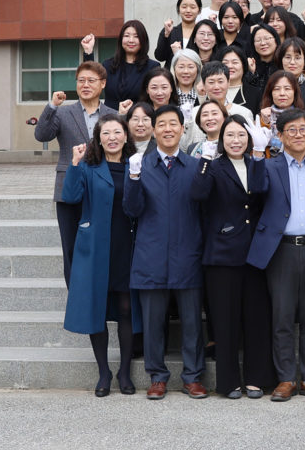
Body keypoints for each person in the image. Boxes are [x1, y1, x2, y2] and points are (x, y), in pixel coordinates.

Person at [244, 109, 305, 402]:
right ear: (281, 135)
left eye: (303, 129)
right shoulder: (269, 166)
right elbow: (255, 189)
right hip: (281, 251)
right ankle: (286, 378)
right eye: (291, 130)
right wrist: (258, 153)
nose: (298, 135)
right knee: (282, 316)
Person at [123, 105, 206, 400]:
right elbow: (132, 209)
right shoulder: (140, 165)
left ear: (183, 129)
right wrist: (134, 178)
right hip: (151, 254)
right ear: (153, 130)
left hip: (188, 253)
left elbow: (205, 209)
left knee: (192, 322)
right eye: (162, 124)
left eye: (173, 124)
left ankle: (193, 377)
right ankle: (157, 377)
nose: (168, 129)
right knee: (153, 322)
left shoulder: (196, 166)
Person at [190, 115, 277, 399]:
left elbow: (261, 191)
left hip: (255, 254)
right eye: (230, 135)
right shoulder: (213, 166)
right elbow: (198, 193)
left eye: (241, 135)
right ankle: (228, 382)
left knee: (257, 318)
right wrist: (205, 160)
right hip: (222, 255)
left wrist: (259, 155)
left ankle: (256, 378)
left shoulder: (256, 163)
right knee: (225, 321)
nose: (236, 140)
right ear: (221, 139)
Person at [61, 113, 140, 397]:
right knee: (97, 309)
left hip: (127, 246)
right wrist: (74, 164)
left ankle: (124, 371)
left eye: (117, 132)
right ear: (98, 138)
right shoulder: (89, 166)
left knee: (126, 309)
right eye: (106, 133)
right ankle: (104, 372)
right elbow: (70, 197)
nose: (112, 138)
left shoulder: (135, 165)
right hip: (95, 247)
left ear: (126, 136)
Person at [34, 61, 115, 286]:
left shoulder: (112, 114)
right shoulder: (62, 112)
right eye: (81, 81)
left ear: (103, 84)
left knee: (102, 244)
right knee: (70, 246)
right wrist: (52, 105)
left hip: (102, 187)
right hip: (68, 187)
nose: (85, 85)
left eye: (91, 81)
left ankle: (100, 296)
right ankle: (75, 299)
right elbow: (41, 135)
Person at [81, 20, 159, 111]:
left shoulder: (152, 67)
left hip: (138, 117)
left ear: (143, 40)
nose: (131, 40)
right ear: (121, 39)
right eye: (127, 36)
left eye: (136, 36)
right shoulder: (108, 65)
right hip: (109, 117)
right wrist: (88, 51)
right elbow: (91, 80)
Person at [154, 0, 202, 67]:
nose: (188, 10)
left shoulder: (202, 33)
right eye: (184, 7)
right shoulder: (169, 30)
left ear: (199, 10)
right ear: (178, 9)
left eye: (192, 7)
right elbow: (160, 57)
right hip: (171, 73)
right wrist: (166, 36)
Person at [218, 46, 262, 114]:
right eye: (225, 63)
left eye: (235, 62)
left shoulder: (256, 93)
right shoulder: (211, 91)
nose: (230, 66)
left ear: (243, 66)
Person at [169, 48, 203, 113]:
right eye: (181, 67)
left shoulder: (204, 94)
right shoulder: (168, 94)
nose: (186, 71)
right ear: (174, 69)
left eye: (190, 67)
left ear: (198, 69)